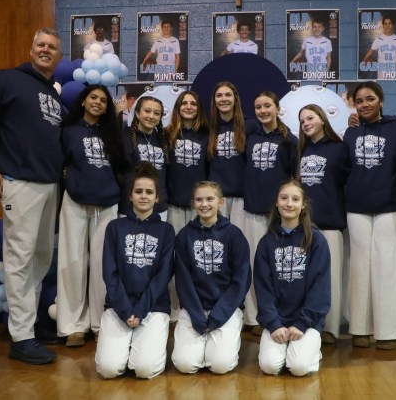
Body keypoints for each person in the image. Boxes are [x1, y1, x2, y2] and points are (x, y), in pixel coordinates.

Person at [0, 27, 63, 365]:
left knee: (40, 258)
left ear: (59, 56)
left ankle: (30, 326)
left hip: (48, 184)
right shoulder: (8, 80)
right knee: (20, 260)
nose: (45, 50)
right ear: (31, 49)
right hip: (18, 182)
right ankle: (21, 338)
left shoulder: (54, 94)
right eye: (40, 44)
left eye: (52, 47)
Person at [56, 84, 124, 347]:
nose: (98, 102)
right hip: (74, 200)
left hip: (107, 203)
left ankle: (100, 323)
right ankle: (73, 326)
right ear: (83, 101)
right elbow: (59, 163)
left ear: (108, 107)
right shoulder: (68, 130)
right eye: (93, 98)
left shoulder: (113, 133)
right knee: (72, 262)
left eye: (103, 100)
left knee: (102, 266)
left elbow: (122, 166)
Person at [343, 82, 396, 350]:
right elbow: (345, 168)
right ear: (354, 105)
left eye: (370, 99)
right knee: (359, 268)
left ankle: (390, 331)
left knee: (388, 267)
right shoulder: (350, 132)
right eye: (359, 101)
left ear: (381, 101)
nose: (365, 104)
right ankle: (360, 329)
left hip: (391, 205)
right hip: (356, 206)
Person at [96, 163, 175, 379]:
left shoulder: (166, 231)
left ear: (157, 198)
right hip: (119, 306)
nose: (143, 196)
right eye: (138, 191)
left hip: (153, 307)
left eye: (149, 192)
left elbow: (163, 275)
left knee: (144, 369)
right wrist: (125, 309)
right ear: (130, 196)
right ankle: (125, 348)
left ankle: (140, 348)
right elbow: (110, 274)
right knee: (108, 370)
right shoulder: (115, 228)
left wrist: (140, 311)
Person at [172, 181, 251, 374]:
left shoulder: (234, 235)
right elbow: (183, 280)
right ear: (193, 203)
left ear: (221, 202)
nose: (204, 204)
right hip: (194, 309)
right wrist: (197, 316)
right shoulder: (184, 236)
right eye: (199, 199)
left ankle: (221, 338)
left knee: (220, 366)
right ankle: (202, 341)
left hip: (225, 309)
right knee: (185, 364)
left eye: (210, 199)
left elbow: (241, 280)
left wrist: (217, 315)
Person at [254, 180, 331, 377]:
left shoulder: (317, 240)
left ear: (303, 204)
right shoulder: (266, 243)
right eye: (284, 198)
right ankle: (288, 348)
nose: (289, 204)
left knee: (299, 368)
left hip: (306, 322)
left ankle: (313, 349)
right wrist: (273, 323)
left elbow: (320, 288)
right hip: (277, 321)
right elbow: (263, 288)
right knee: (270, 367)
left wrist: (303, 323)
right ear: (277, 203)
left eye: (295, 199)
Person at [242, 91, 298, 335]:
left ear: (277, 108)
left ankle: (280, 314)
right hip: (254, 209)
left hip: (278, 214)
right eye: (258, 107)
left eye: (267, 106)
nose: (263, 111)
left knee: (278, 266)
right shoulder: (249, 137)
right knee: (256, 265)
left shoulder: (289, 140)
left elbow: (295, 178)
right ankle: (255, 318)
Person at [297, 104, 350, 344]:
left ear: (322, 118)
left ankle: (330, 328)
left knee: (331, 278)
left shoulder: (340, 149)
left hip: (330, 223)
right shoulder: (302, 150)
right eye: (302, 121)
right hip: (305, 225)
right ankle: (308, 323)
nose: (306, 123)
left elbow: (349, 183)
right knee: (306, 278)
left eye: (310, 118)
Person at [165, 90, 209, 321]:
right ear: (178, 107)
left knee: (199, 258)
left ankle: (199, 305)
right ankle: (174, 309)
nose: (189, 107)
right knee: (174, 257)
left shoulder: (206, 135)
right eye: (184, 103)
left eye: (193, 103)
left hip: (198, 207)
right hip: (173, 203)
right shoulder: (167, 134)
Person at [207, 82, 255, 230]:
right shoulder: (209, 128)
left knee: (238, 242)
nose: (223, 99)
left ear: (235, 98)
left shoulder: (250, 125)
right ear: (214, 100)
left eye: (228, 95)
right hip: (216, 197)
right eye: (219, 95)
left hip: (241, 199)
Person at [120, 96, 170, 220]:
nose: (151, 116)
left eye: (156, 113)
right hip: (129, 207)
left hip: (159, 208)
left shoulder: (164, 140)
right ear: (137, 113)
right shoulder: (123, 137)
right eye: (147, 111)